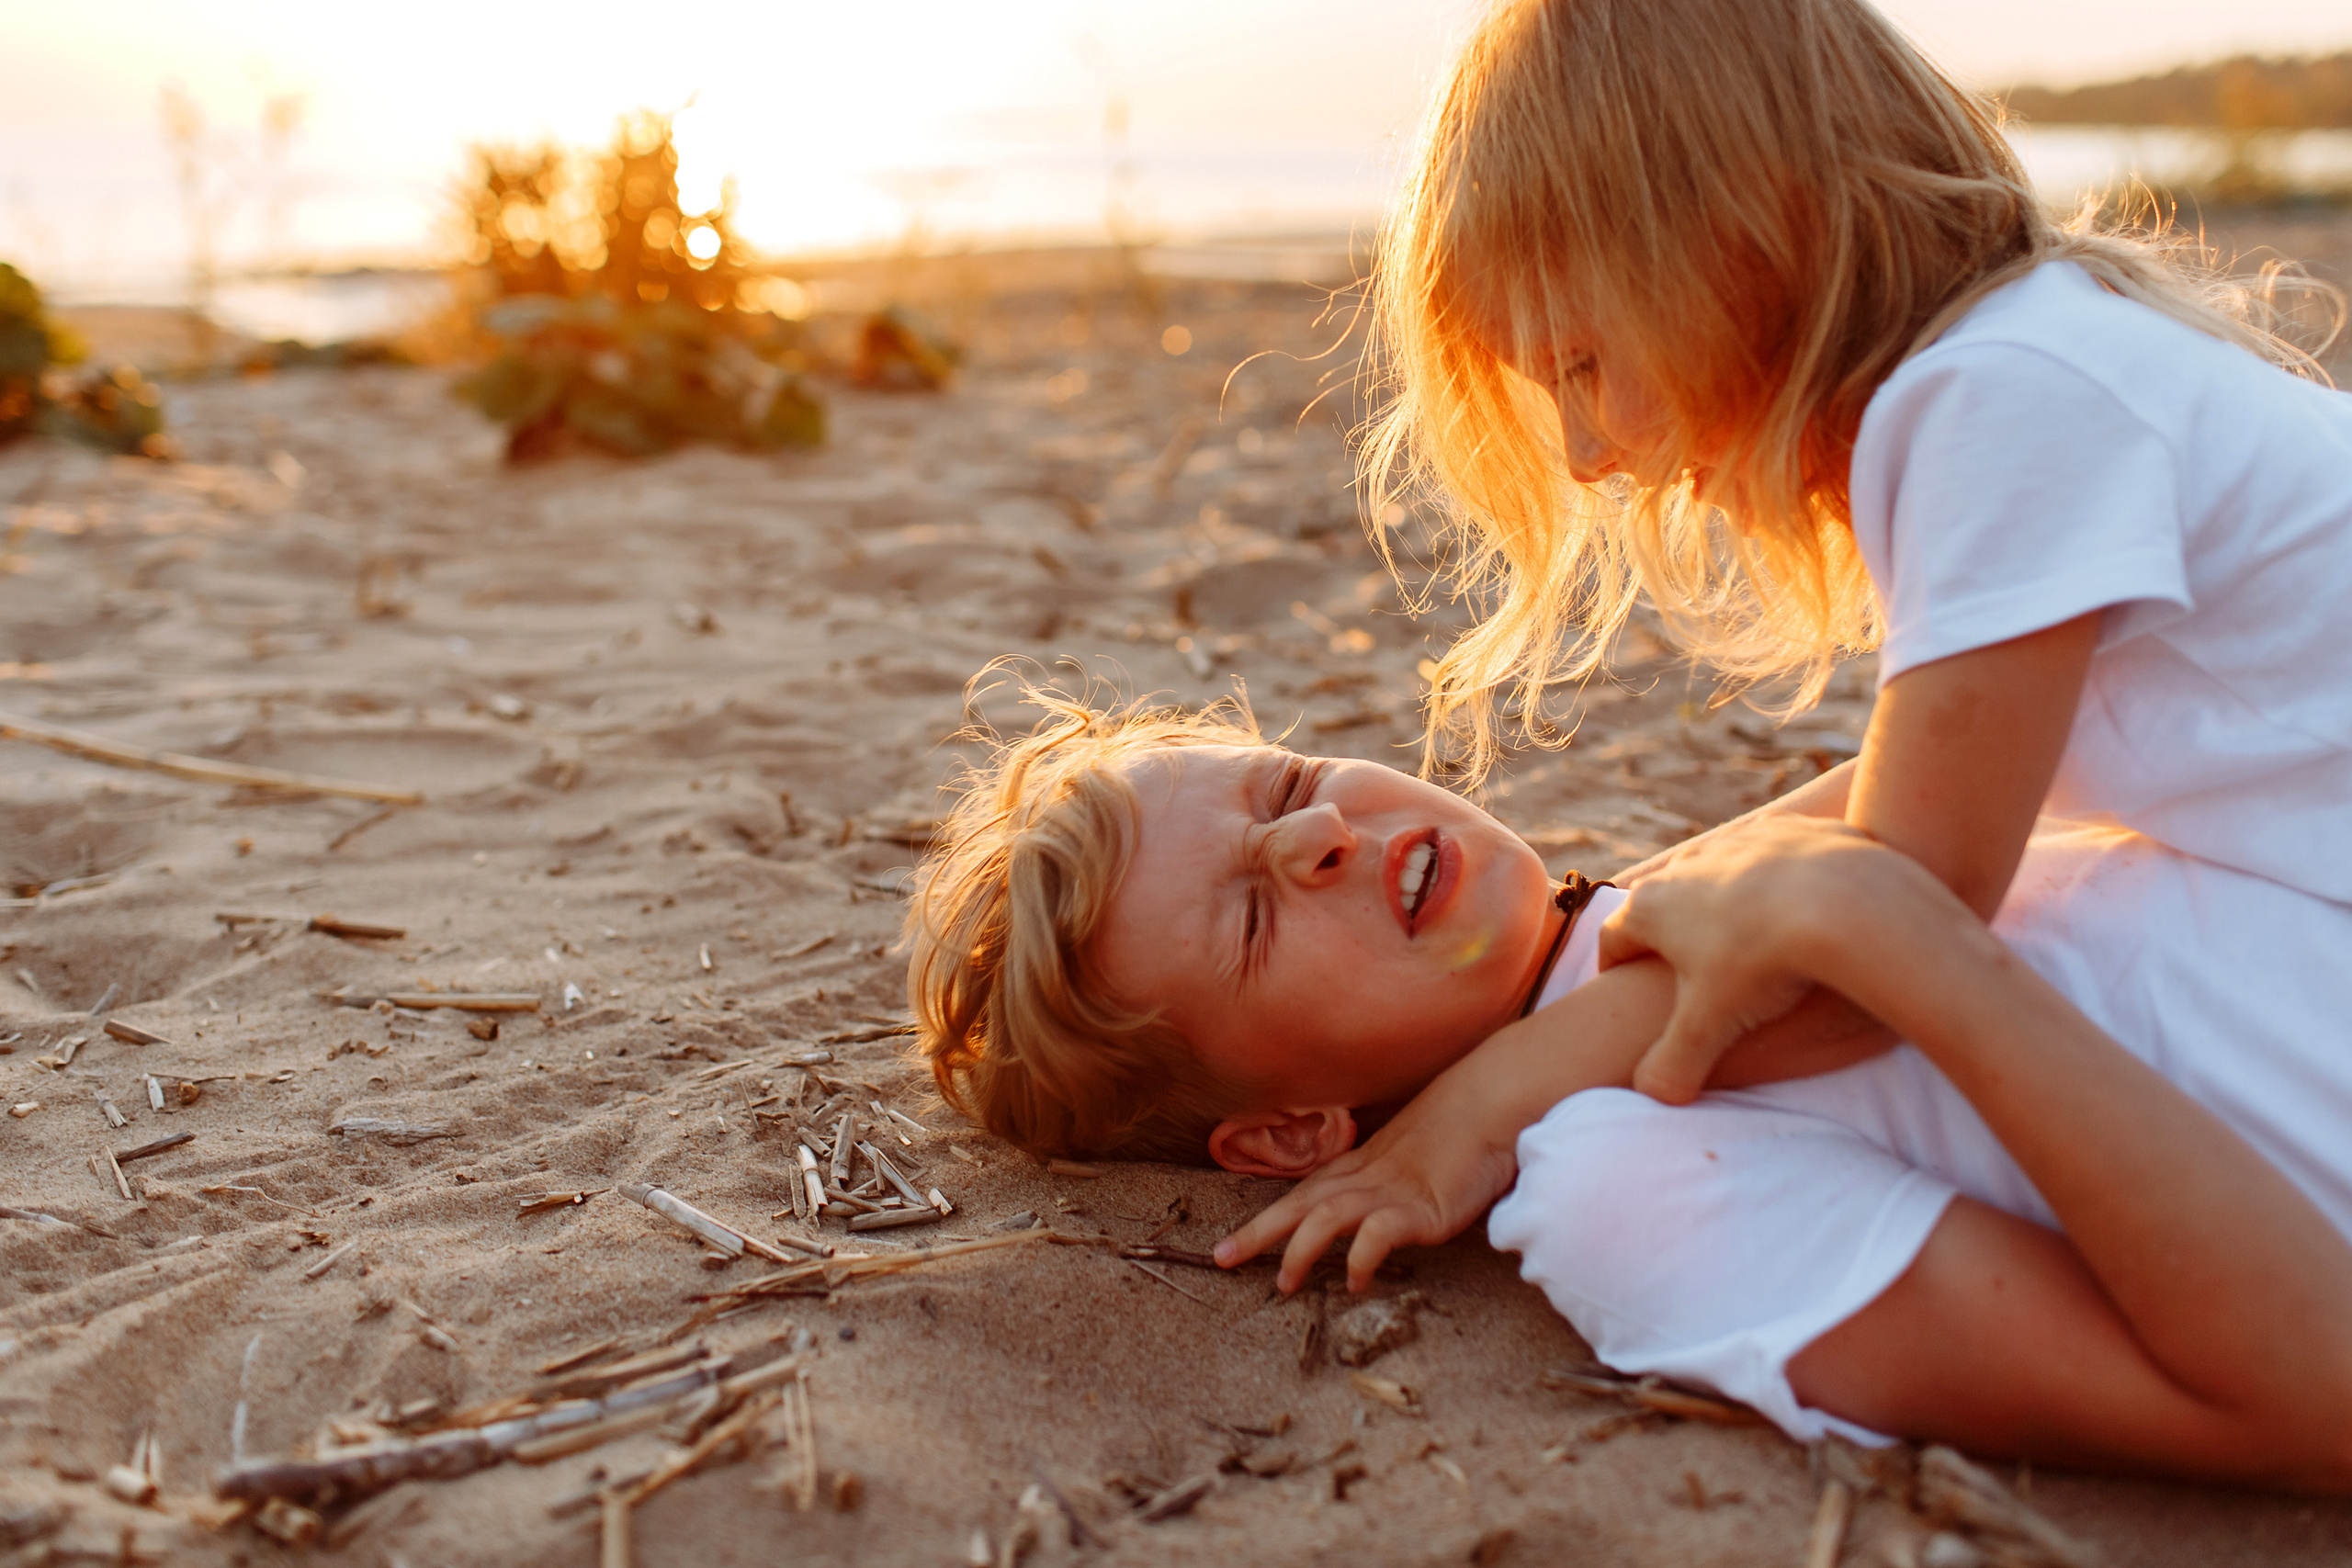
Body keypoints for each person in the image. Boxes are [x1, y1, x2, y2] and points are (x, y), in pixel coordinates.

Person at [901, 696, 2352, 1483]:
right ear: (1292, 1131)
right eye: (1255, 920)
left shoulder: (1693, 896)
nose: (1322, 833)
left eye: (1285, 787)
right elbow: (2308, 1398)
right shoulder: (1616, 1184)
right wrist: (1907, 951)